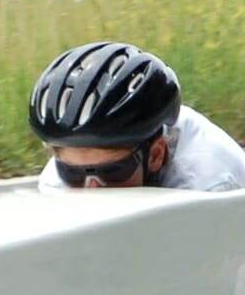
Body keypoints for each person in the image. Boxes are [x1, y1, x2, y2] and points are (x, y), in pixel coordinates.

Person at [29, 40, 245, 192]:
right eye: (72, 173)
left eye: (112, 172)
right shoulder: (56, 182)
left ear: (156, 155)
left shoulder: (208, 185)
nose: (92, 188)